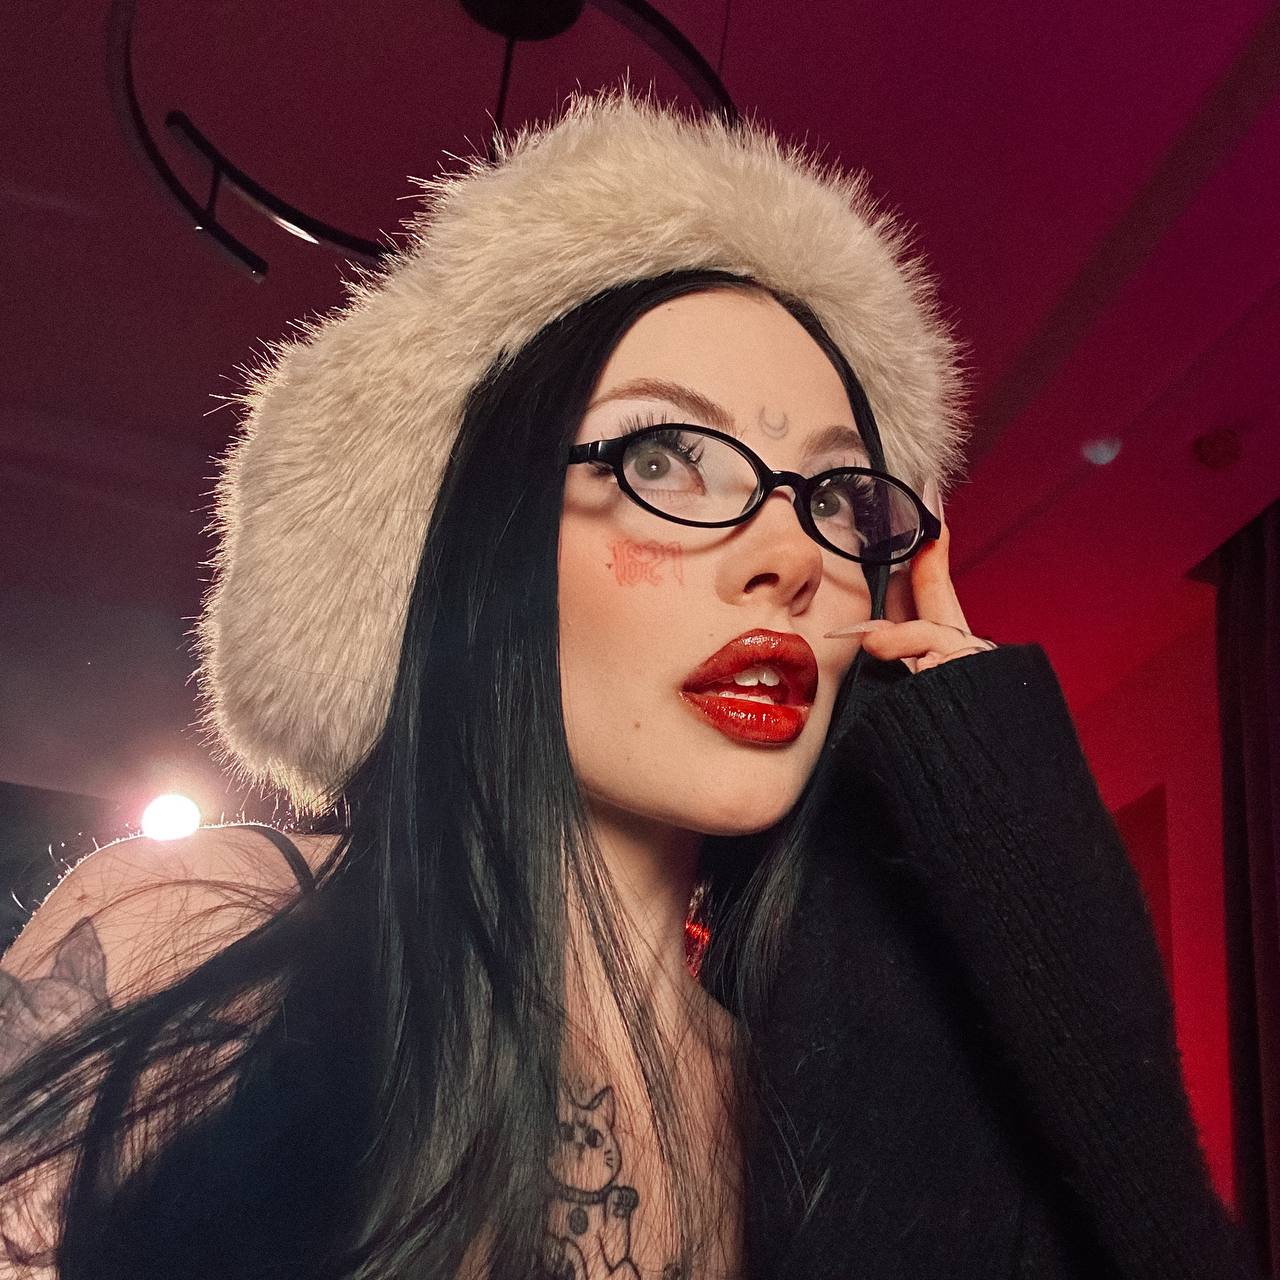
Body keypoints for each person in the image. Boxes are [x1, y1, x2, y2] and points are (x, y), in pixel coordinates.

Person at [0, 88, 1260, 1280]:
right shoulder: (202, 926)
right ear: (481, 543)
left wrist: (1012, 817)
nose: (790, 557)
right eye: (665, 454)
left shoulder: (820, 1118)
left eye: (836, 495)